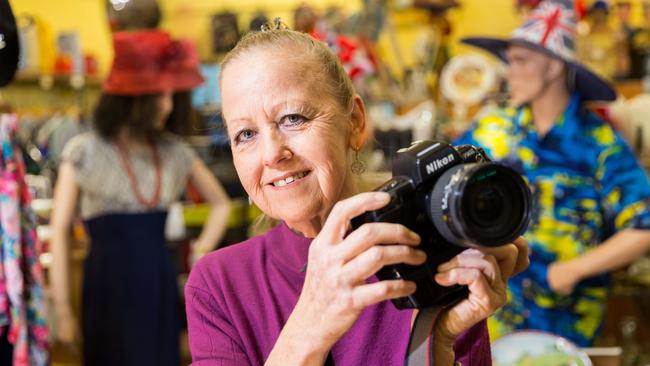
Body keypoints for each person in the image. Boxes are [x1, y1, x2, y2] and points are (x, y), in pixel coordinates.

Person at [185, 21, 528, 365]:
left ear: (355, 123)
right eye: (245, 135)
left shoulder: (428, 254)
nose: (272, 153)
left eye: (293, 118)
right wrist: (310, 327)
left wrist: (438, 339)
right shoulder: (218, 285)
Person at [458, 0, 650, 347]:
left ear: (552, 67)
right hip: (496, 313)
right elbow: (444, 184)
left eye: (519, 60)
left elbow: (643, 225)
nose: (509, 71)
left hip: (568, 322)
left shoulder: (599, 143)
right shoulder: (494, 131)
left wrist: (574, 270)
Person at [50, 30, 231, 365]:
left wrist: (202, 250)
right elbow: (59, 230)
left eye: (169, 95)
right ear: (132, 98)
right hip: (105, 287)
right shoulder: (84, 152)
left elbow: (220, 204)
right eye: (158, 96)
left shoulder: (174, 153)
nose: (166, 104)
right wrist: (63, 311)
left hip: (156, 282)